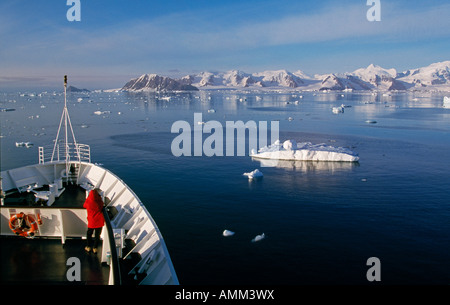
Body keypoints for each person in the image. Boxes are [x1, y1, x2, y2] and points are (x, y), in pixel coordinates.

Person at [83, 188, 105, 254]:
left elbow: (84, 205)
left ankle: (88, 246)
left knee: (89, 234)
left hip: (91, 221)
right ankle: (95, 248)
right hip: (99, 220)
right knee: (97, 235)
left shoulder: (88, 201)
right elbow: (102, 205)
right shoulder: (98, 201)